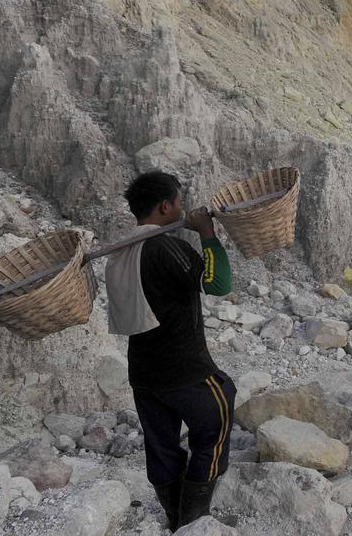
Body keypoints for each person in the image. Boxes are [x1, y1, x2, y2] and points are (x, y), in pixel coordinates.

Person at [117, 171, 236, 531]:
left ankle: (174, 518)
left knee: (162, 447)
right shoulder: (165, 245)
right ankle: (193, 519)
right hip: (185, 371)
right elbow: (218, 284)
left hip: (144, 374)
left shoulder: (121, 250)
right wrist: (206, 233)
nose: (183, 207)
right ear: (166, 206)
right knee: (219, 413)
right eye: (180, 201)